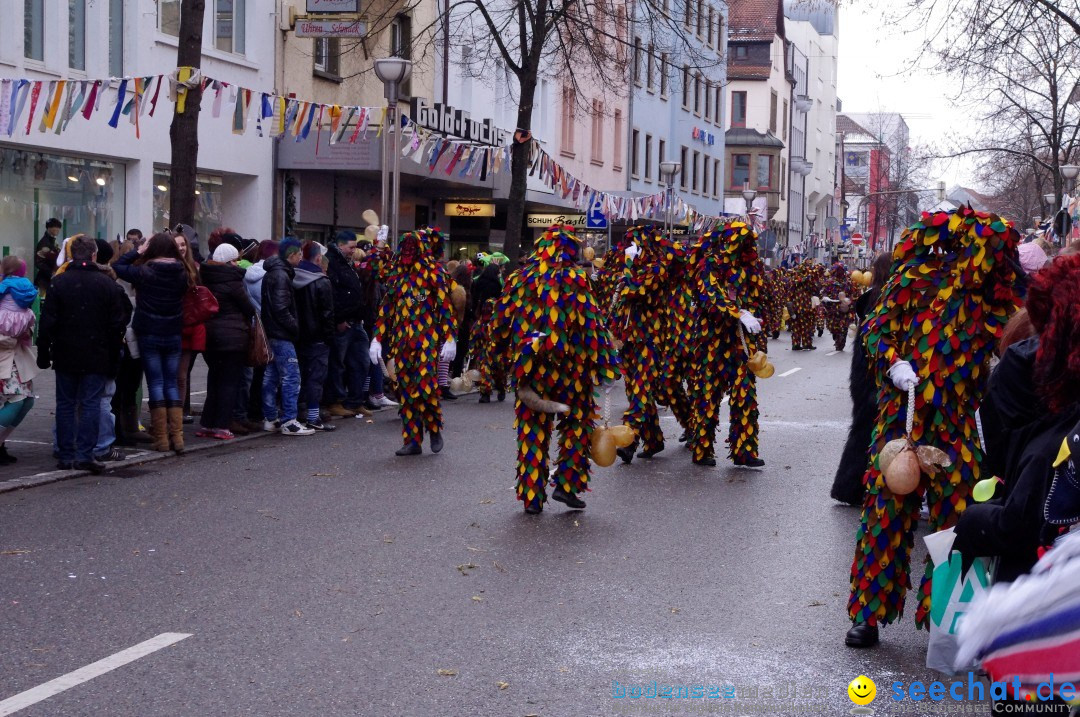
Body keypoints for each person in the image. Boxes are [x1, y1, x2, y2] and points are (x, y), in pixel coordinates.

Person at [845, 207, 1024, 649]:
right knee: (885, 517)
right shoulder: (914, 279)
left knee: (959, 522)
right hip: (901, 421)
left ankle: (949, 621)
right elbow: (876, 331)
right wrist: (893, 364)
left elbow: (1019, 338)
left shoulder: (992, 297)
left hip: (958, 427)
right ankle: (868, 616)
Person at [486, 224, 621, 514]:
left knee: (532, 431)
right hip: (573, 370)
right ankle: (567, 487)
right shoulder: (577, 280)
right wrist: (607, 367)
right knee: (577, 426)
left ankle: (532, 496)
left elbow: (499, 322)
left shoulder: (519, 279)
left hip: (531, 369)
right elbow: (591, 326)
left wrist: (497, 356)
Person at [37, 235, 131, 473]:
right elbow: (117, 323)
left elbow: (48, 320)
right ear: (93, 255)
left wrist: (43, 350)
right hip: (96, 353)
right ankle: (86, 454)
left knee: (66, 404)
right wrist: (113, 353)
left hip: (66, 351)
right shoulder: (107, 284)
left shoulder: (60, 282)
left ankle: (66, 454)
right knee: (90, 404)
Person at [685, 221, 768, 468]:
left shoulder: (750, 268)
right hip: (712, 342)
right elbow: (711, 296)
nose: (744, 248)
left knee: (745, 394)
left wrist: (755, 316)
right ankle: (702, 449)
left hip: (742, 342)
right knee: (707, 395)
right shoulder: (710, 265)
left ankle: (745, 450)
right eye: (740, 243)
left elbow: (757, 297)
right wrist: (738, 313)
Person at [369, 228, 456, 456]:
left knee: (426, 387)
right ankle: (412, 440)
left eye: (412, 248)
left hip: (426, 340)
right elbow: (385, 304)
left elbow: (445, 307)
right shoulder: (396, 275)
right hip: (401, 342)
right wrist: (377, 338)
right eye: (404, 248)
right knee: (404, 391)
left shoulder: (434, 272)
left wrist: (449, 338)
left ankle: (434, 428)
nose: (408, 252)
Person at [602, 225, 679, 464]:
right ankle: (653, 440)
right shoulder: (628, 269)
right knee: (634, 390)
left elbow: (636, 290)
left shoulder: (657, 268)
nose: (632, 248)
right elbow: (616, 297)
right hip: (627, 340)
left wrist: (628, 266)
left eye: (636, 244)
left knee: (641, 391)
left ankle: (630, 439)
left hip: (650, 339)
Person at [113, 233, 192, 453]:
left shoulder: (144, 272)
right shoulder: (182, 273)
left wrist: (138, 251)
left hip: (149, 332)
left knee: (156, 383)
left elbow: (118, 266)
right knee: (171, 383)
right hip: (174, 331)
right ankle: (177, 438)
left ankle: (161, 439)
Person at [831, 251, 892, 506]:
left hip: (864, 375)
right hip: (870, 377)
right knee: (867, 430)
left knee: (863, 429)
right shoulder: (880, 299)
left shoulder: (873, 296)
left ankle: (851, 486)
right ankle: (851, 487)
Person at [198, 243, 256, 440]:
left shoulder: (206, 277)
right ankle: (222, 424)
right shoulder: (233, 281)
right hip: (233, 337)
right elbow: (249, 308)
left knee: (214, 379)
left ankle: (207, 423)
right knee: (229, 382)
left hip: (210, 335)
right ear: (230, 261)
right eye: (235, 260)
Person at [261, 238, 314, 436]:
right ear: (291, 255)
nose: (301, 257)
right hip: (282, 333)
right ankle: (289, 420)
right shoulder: (282, 276)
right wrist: (295, 328)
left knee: (272, 375)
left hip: (273, 331)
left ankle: (270, 417)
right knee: (291, 376)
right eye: (299, 254)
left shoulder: (273, 273)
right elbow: (281, 308)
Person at [323, 231, 372, 418]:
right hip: (344, 322)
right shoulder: (333, 262)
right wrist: (339, 319)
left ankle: (355, 400)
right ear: (340, 245)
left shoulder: (347, 263)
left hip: (355, 321)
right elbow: (333, 294)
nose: (353, 251)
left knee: (361, 362)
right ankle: (335, 401)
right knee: (337, 363)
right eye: (351, 247)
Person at [111, 230, 150, 447]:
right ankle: (124, 428)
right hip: (128, 338)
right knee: (125, 386)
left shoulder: (131, 277)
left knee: (127, 386)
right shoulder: (124, 280)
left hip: (130, 338)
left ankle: (128, 427)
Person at [0, 257, 40, 464]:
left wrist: (25, 330)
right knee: (16, 400)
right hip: (4, 358)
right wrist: (11, 337)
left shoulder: (14, 292)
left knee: (27, 401)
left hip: (17, 358)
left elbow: (30, 326)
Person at [293, 241, 336, 431]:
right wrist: (329, 337)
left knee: (299, 375)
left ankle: (298, 412)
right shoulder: (321, 281)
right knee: (316, 377)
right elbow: (327, 314)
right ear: (318, 258)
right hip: (317, 336)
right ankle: (312, 416)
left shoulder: (292, 276)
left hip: (297, 335)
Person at [34, 218, 62, 293]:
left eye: (58, 227)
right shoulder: (44, 243)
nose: (57, 229)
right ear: (48, 228)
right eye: (54, 227)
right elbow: (39, 263)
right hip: (44, 280)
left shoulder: (53, 241)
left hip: (51, 278)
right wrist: (51, 272)